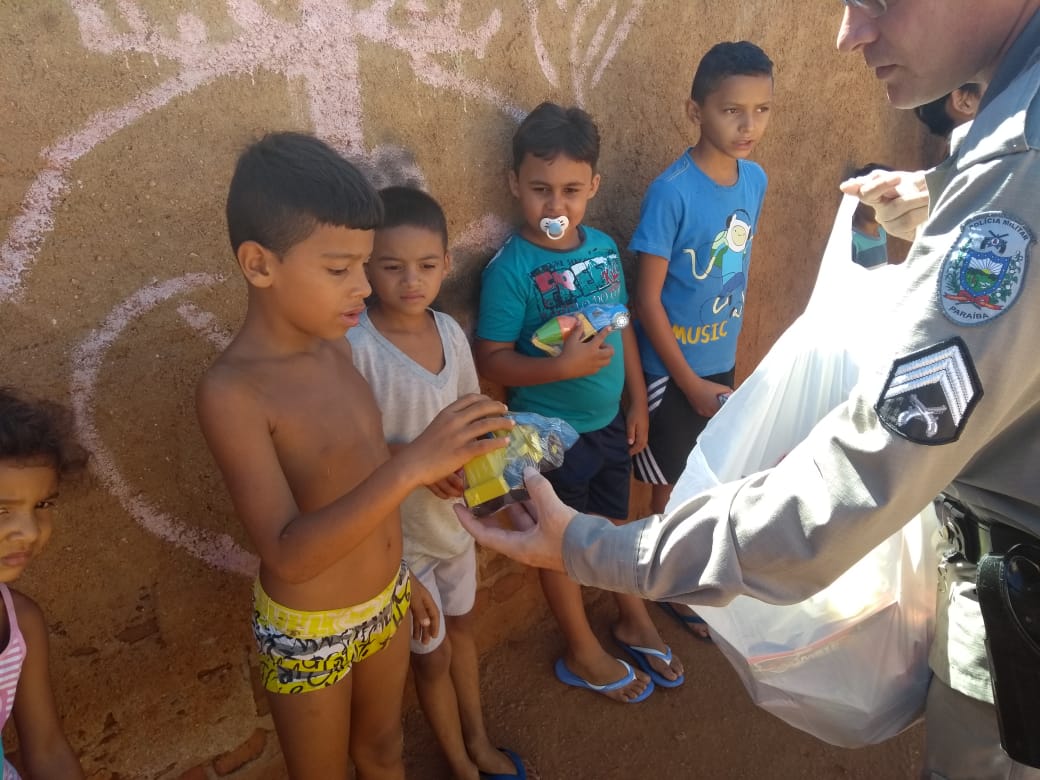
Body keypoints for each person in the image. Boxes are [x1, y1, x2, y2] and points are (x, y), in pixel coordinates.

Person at [459, 2, 1040, 777]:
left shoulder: (1017, 166)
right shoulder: (1003, 154)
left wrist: (597, 549)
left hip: (1014, 600)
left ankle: (644, 606)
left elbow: (856, 484)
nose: (849, 32)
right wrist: (946, 197)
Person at [196, 132, 510, 780]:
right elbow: (288, 551)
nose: (363, 288)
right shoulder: (234, 392)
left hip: (388, 596)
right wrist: (412, 465)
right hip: (311, 627)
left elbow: (359, 466)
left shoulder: (337, 346)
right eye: (340, 270)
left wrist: (401, 578)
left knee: (384, 751)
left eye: (364, 266)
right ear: (259, 265)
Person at [475, 102, 683, 703]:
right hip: (549, 437)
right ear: (515, 184)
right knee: (559, 541)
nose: (555, 206)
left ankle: (631, 616)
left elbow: (621, 329)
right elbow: (491, 358)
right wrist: (558, 368)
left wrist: (637, 400)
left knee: (612, 523)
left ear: (593, 186)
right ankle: (581, 648)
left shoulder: (606, 250)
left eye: (570, 190)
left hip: (609, 423)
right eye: (540, 189)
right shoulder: (511, 270)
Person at [347, 186, 525, 780]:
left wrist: (494, 480)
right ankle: (458, 763)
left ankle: (477, 739)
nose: (410, 281)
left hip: (454, 528)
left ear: (447, 264)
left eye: (426, 266)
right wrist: (415, 462)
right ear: (366, 267)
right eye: (391, 267)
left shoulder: (449, 332)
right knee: (431, 654)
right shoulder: (354, 348)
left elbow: (474, 415)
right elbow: (345, 453)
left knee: (464, 632)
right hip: (399, 545)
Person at [630, 41, 773, 639]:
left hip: (720, 361)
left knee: (704, 471)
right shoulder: (673, 191)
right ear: (696, 111)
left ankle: (684, 575)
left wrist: (709, 377)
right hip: (672, 373)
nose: (748, 126)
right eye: (731, 110)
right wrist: (687, 382)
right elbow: (645, 300)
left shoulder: (755, 180)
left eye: (761, 110)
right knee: (668, 485)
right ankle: (665, 585)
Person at [0, 389, 85, 780]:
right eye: (1, 510)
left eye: (43, 505)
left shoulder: (21, 622)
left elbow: (48, 750)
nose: (31, 531)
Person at [849, 163, 892, 269]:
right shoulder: (852, 240)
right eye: (879, 197)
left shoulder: (882, 232)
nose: (886, 203)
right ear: (859, 199)